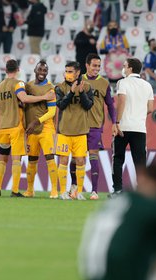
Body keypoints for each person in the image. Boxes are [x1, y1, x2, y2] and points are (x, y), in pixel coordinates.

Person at [0, 59, 54, 197]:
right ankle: (14, 190)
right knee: (16, 159)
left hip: (2, 127)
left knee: (2, 158)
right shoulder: (18, 84)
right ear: (18, 69)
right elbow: (24, 98)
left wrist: (6, 107)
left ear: (5, 70)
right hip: (15, 126)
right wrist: (44, 97)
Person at [70, 53, 116, 200]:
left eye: (98, 66)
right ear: (87, 65)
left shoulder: (104, 83)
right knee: (76, 158)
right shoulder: (77, 80)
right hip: (78, 125)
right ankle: (74, 188)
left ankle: (94, 191)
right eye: (94, 65)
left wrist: (115, 122)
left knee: (93, 157)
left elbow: (110, 105)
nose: (97, 68)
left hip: (95, 125)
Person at [111, 58, 154, 198]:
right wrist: (139, 115)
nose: (123, 68)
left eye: (124, 66)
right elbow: (150, 108)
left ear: (130, 68)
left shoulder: (122, 82)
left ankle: (117, 190)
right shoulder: (147, 85)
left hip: (123, 126)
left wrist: (117, 122)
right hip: (140, 128)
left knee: (118, 159)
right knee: (140, 162)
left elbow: (122, 101)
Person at [55, 61, 94, 200]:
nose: (67, 74)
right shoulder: (59, 87)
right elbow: (61, 105)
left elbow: (88, 105)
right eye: (66, 71)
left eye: (70, 71)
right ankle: (63, 192)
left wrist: (82, 92)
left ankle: (79, 192)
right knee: (63, 161)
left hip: (81, 131)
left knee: (80, 161)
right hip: (64, 131)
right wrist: (71, 92)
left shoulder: (88, 86)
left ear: (78, 72)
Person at [24, 60, 58, 198]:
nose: (42, 73)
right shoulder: (28, 86)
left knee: (50, 157)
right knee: (32, 159)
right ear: (35, 70)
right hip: (32, 130)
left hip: (46, 128)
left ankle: (54, 190)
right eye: (40, 70)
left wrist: (36, 121)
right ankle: (30, 190)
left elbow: (52, 112)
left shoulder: (50, 89)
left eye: (45, 71)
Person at [0, 0, 17, 67]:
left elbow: (15, 18)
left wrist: (13, 27)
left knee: (7, 52)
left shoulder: (13, 6)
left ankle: (7, 67)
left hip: (8, 33)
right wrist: (1, 27)